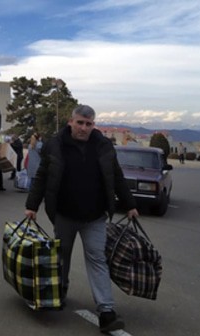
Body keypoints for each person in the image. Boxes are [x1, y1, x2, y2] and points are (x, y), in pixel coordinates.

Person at [24, 105, 139, 333]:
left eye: (88, 124)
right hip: (64, 215)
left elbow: (116, 176)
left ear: (93, 125)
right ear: (71, 122)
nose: (84, 128)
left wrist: (130, 204)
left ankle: (106, 312)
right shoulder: (55, 146)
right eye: (80, 123)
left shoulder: (103, 146)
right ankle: (61, 290)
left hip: (95, 216)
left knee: (97, 258)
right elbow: (42, 176)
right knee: (62, 257)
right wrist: (32, 206)